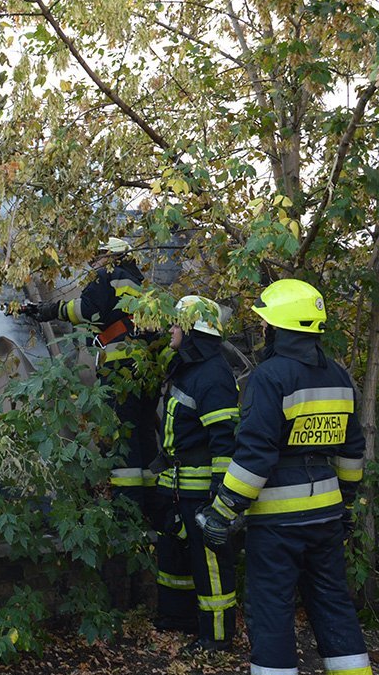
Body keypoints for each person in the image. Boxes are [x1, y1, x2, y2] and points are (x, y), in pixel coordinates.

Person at [198, 279, 378, 675]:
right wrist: (347, 507)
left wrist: (222, 512)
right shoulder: (338, 376)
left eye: (265, 324)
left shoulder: (269, 377)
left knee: (272, 616)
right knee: (335, 608)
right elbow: (353, 453)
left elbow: (255, 456)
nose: (262, 332)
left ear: (277, 328)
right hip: (327, 516)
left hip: (278, 524)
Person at [23, 237, 159, 510]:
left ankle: (127, 511)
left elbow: (85, 309)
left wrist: (48, 311)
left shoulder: (107, 275)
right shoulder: (143, 285)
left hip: (119, 366)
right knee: (144, 434)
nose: (93, 263)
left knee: (122, 436)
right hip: (146, 371)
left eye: (97, 257)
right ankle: (153, 507)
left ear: (111, 257)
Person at [151, 295, 239, 649]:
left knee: (210, 565)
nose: (171, 329)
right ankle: (178, 618)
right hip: (176, 483)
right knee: (175, 556)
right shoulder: (188, 367)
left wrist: (219, 493)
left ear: (192, 331)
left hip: (200, 488)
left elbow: (224, 439)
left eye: (177, 324)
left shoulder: (213, 375)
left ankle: (216, 637)